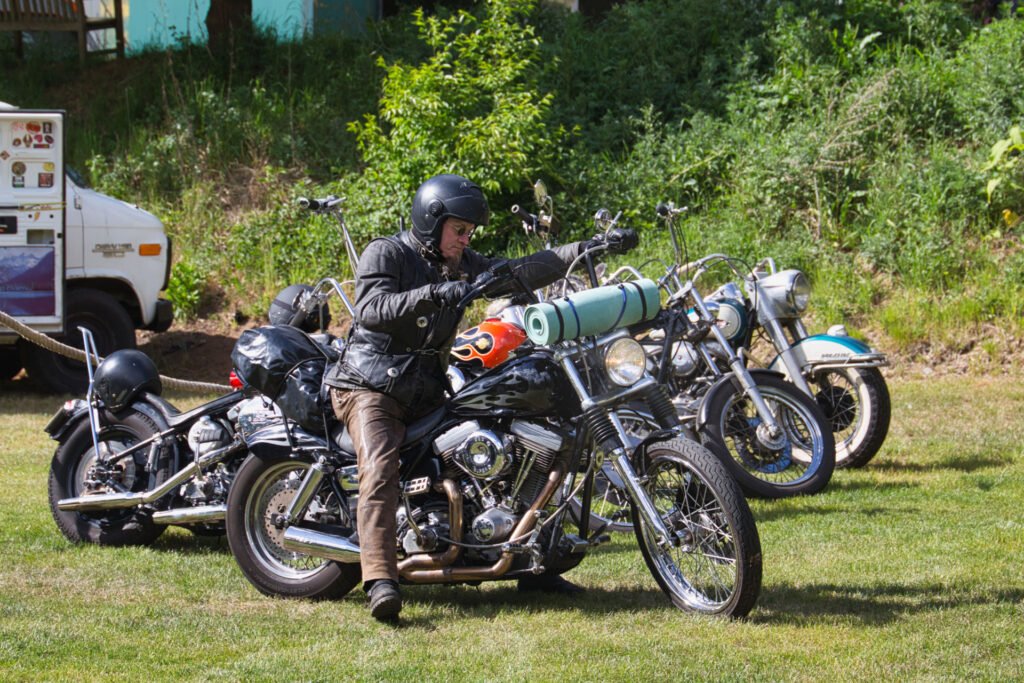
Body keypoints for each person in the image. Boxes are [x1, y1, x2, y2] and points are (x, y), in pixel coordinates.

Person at [325, 173, 633, 620]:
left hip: (427, 388)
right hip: (371, 385)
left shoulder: (461, 262)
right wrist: (435, 293)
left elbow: (521, 271)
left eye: (469, 232)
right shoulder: (387, 252)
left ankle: (532, 560)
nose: (465, 239)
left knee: (514, 442)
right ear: (432, 222)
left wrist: (588, 249)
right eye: (459, 230)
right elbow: (372, 309)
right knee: (380, 465)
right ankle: (380, 579)